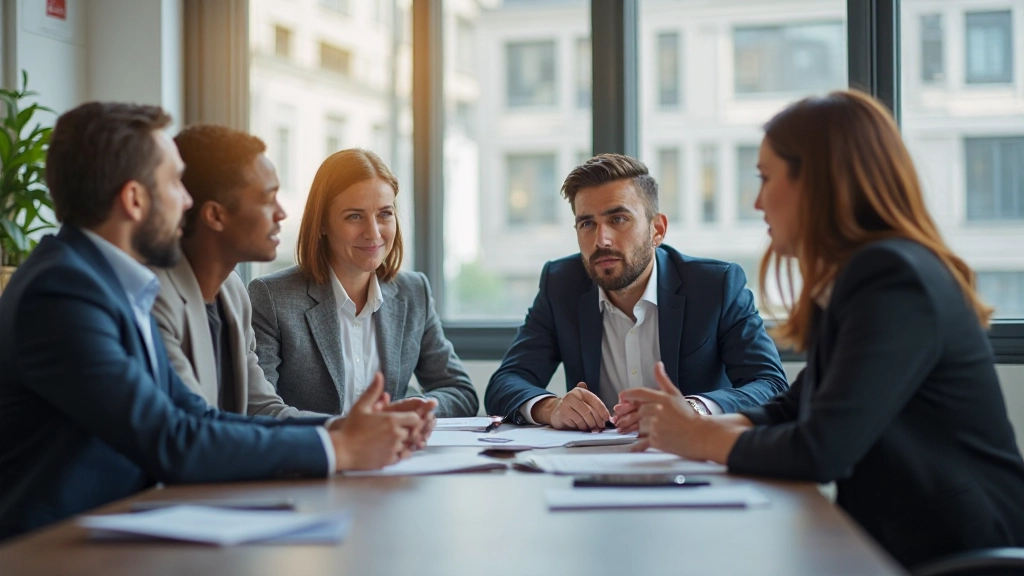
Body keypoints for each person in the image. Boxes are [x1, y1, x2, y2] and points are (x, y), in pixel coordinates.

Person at [622, 90, 1024, 569]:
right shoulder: (857, 276)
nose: (757, 201)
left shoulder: (893, 278)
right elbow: (794, 408)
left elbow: (820, 450)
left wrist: (696, 437)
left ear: (817, 183)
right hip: (898, 540)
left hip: (960, 550)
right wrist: (687, 426)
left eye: (766, 178)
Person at [0, 103, 424, 540]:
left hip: (116, 535)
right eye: (174, 183)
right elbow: (171, 438)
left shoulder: (108, 282)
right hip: (50, 548)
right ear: (134, 199)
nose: (188, 201)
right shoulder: (62, 292)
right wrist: (339, 447)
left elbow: (195, 415)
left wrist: (343, 429)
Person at [151, 125, 436, 432]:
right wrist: (354, 435)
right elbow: (196, 429)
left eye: (385, 214)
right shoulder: (155, 299)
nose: (282, 213)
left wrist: (360, 429)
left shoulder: (232, 291)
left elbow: (261, 408)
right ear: (216, 216)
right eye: (267, 199)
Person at [484, 153, 787, 431]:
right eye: (587, 223)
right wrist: (552, 407)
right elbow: (505, 383)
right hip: (590, 460)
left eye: (618, 219)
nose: (601, 240)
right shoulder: (561, 284)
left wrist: (693, 409)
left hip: (690, 456)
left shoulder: (715, 285)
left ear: (657, 230)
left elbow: (771, 385)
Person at [248, 149, 478, 418]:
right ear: (322, 223)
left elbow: (460, 392)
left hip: (393, 446)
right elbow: (260, 411)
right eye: (354, 216)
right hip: (316, 445)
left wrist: (414, 408)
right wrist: (349, 432)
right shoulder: (272, 298)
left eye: (384, 214)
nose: (373, 233)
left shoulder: (414, 292)